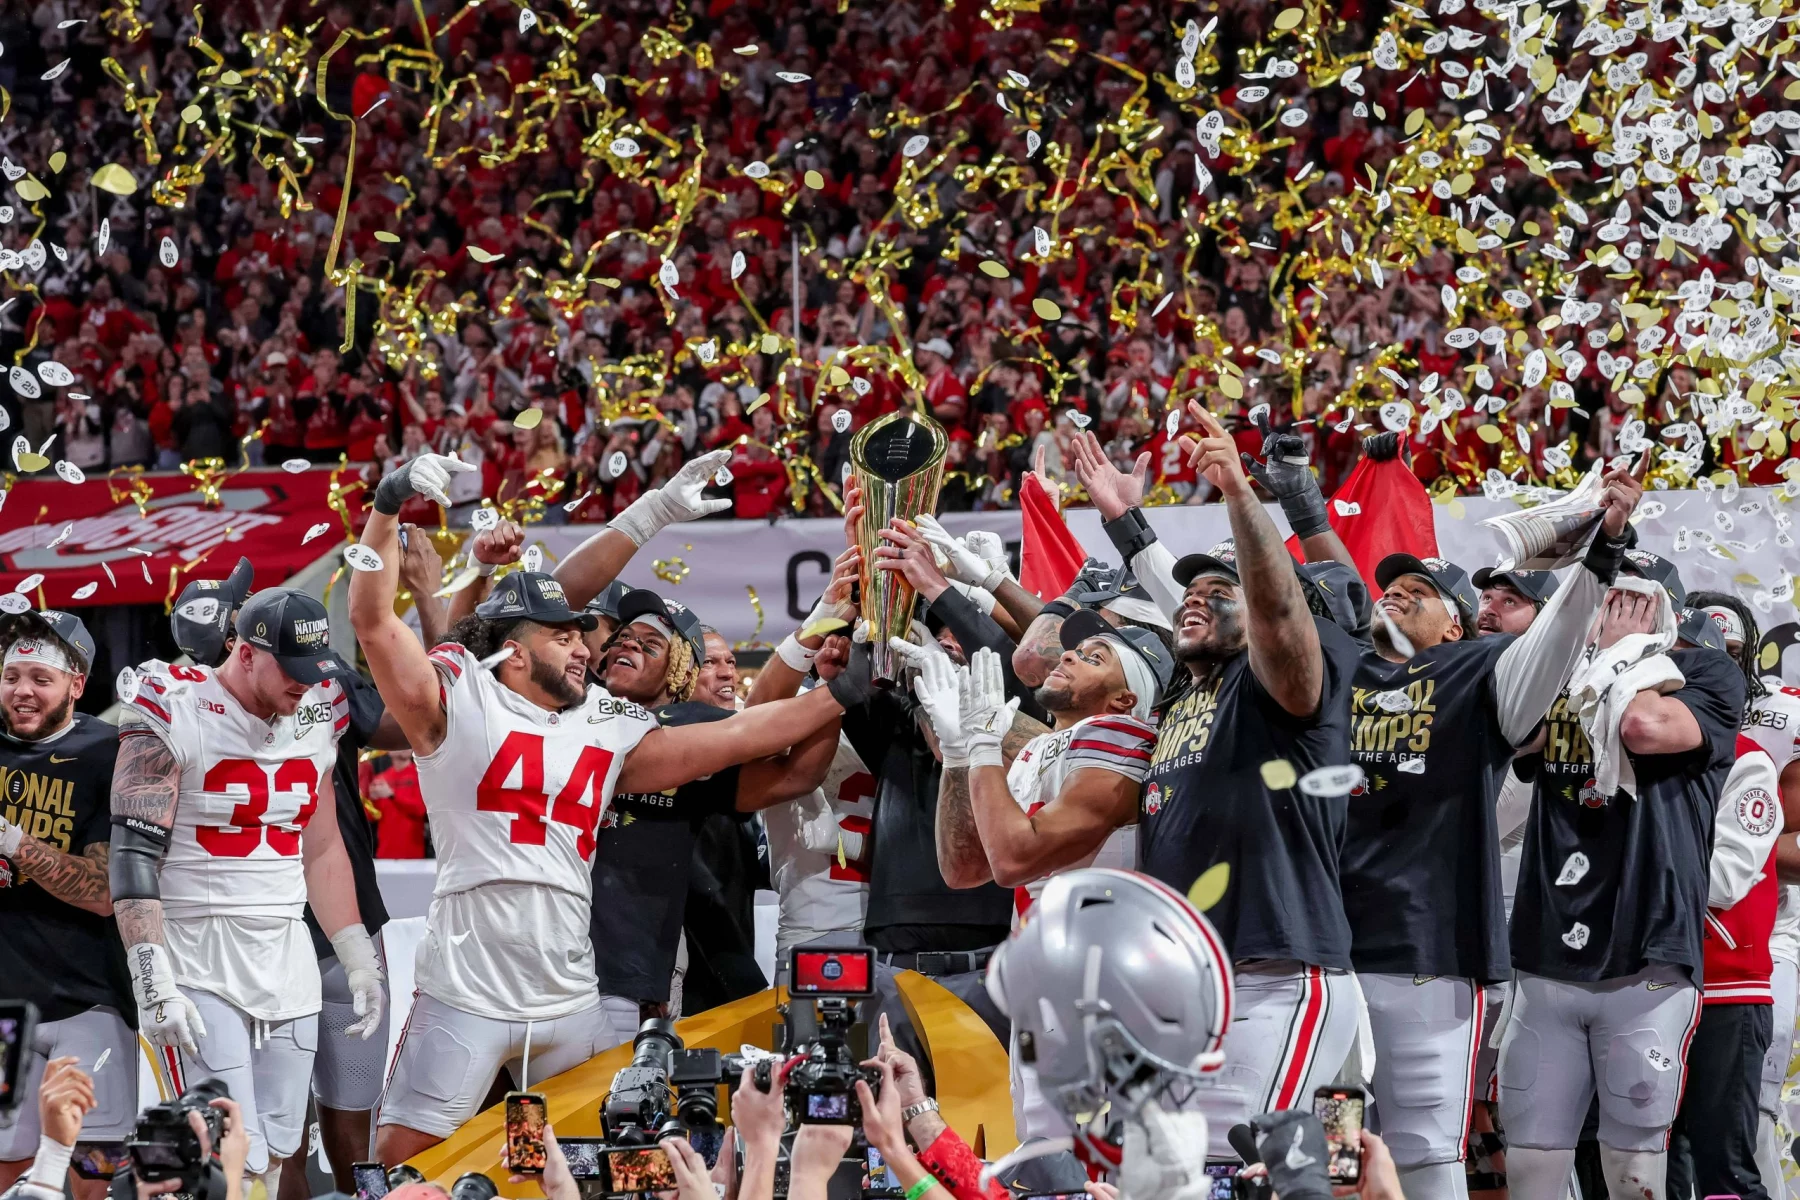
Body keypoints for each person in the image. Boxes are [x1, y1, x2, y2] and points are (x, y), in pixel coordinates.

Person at [346, 451, 866, 1163]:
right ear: (515, 653)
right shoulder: (459, 698)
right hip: (468, 989)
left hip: (571, 998)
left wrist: (838, 693)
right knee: (406, 1165)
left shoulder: (608, 724)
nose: (583, 647)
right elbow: (373, 621)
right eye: (563, 636)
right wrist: (386, 506)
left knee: (584, 1164)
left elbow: (743, 732)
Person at [1319, 466, 1638, 1200]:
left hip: (1428, 957)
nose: (1396, 592)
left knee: (1426, 1151)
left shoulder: (1479, 667)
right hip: (1326, 961)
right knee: (1335, 1157)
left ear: (1456, 623)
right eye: (1390, 586)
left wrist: (1601, 557)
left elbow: (1554, 642)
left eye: (1421, 592)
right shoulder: (1337, 672)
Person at [1071, 407, 1363, 1153]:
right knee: (1160, 1171)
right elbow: (1192, 602)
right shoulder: (1192, 684)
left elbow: (1271, 612)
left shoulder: (1290, 687)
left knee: (1245, 1167)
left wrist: (1240, 492)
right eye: (1193, 590)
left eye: (1219, 588)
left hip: (1276, 978)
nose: (1194, 596)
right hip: (1188, 980)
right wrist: (1127, 524)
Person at [108, 588, 386, 1197]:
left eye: (315, 670)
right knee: (223, 1140)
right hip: (196, 949)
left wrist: (355, 953)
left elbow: (320, 846)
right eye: (291, 667)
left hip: (286, 948)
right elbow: (132, 853)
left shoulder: (317, 705)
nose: (305, 685)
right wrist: (151, 976)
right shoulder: (174, 704)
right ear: (245, 650)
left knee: (280, 1145)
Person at [1500, 551, 1749, 1200]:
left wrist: (1626, 655)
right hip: (1545, 956)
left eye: (1630, 599)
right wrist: (1573, 657)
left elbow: (1641, 727)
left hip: (1646, 957)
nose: (1613, 610)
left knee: (1633, 1174)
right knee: (1530, 1171)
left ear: (1665, 614)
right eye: (1605, 596)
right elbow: (1513, 735)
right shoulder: (1563, 680)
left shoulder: (1706, 672)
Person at [909, 614, 1171, 1139]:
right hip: (1044, 979)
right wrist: (959, 751)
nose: (1068, 655)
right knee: (1044, 1158)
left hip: (1103, 986)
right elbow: (964, 867)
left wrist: (982, 746)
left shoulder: (1122, 735)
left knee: (1094, 1166)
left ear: (1125, 699)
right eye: (1075, 650)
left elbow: (1012, 861)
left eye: (1095, 658)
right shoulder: (1034, 748)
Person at [587, 588, 835, 1022]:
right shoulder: (571, 710)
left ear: (678, 671)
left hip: (636, 977)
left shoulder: (695, 735)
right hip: (541, 964)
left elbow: (794, 772)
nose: (629, 645)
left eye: (651, 644)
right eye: (624, 638)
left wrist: (838, 687)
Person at [0, 612, 135, 1200]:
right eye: (10, 676)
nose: (22, 691)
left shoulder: (111, 752)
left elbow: (105, 891)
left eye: (40, 677)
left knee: (92, 1172)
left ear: (77, 684)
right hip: (4, 1002)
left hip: (91, 997)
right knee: (6, 1167)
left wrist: (11, 841)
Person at [1687, 591, 1800, 1200]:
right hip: (1665, 942)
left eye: (1731, 654)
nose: (1716, 668)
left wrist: (1753, 845)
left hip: (1766, 929)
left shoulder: (1783, 719)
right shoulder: (1641, 713)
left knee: (1746, 1106)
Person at [1665, 600, 1779, 1200]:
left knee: (1724, 1168)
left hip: (1727, 986)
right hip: (1645, 985)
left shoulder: (1750, 757)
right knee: (1653, 1160)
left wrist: (1633, 872)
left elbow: (1725, 880)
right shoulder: (1633, 751)